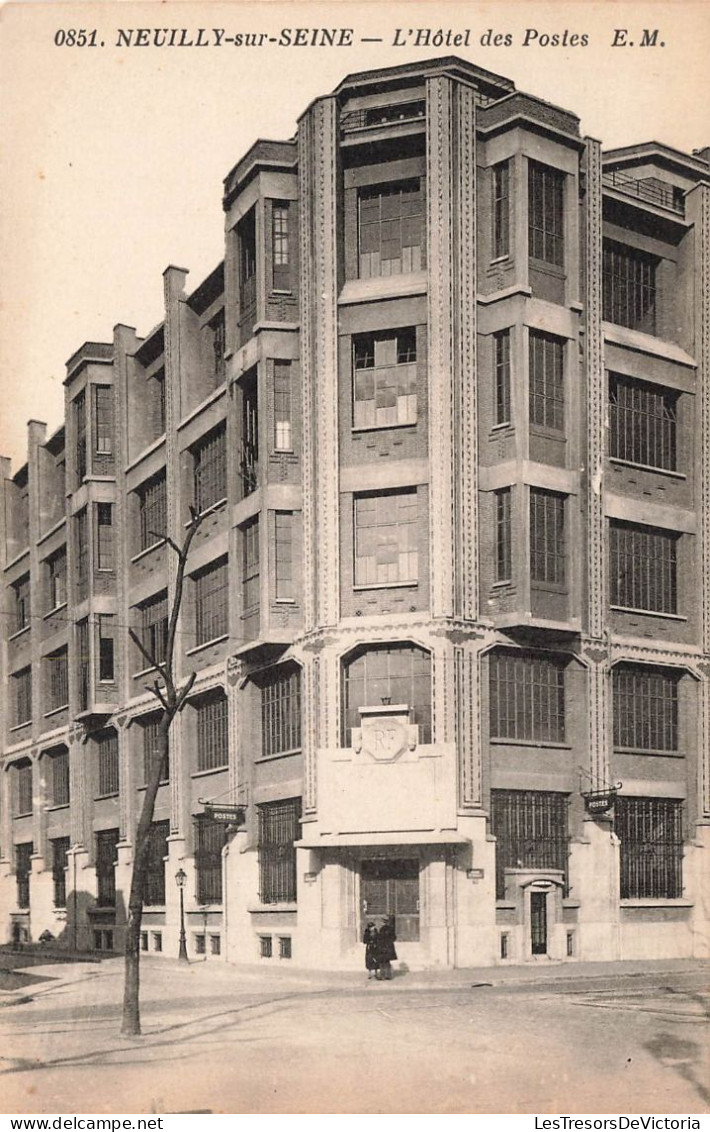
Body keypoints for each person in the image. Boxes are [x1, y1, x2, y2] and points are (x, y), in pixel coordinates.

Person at [376, 914, 397, 980]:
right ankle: (388, 975)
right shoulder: (391, 929)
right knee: (387, 961)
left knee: (382, 962)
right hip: (389, 947)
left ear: (383, 922)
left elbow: (379, 938)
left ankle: (382, 975)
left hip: (382, 947)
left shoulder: (381, 929)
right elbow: (394, 938)